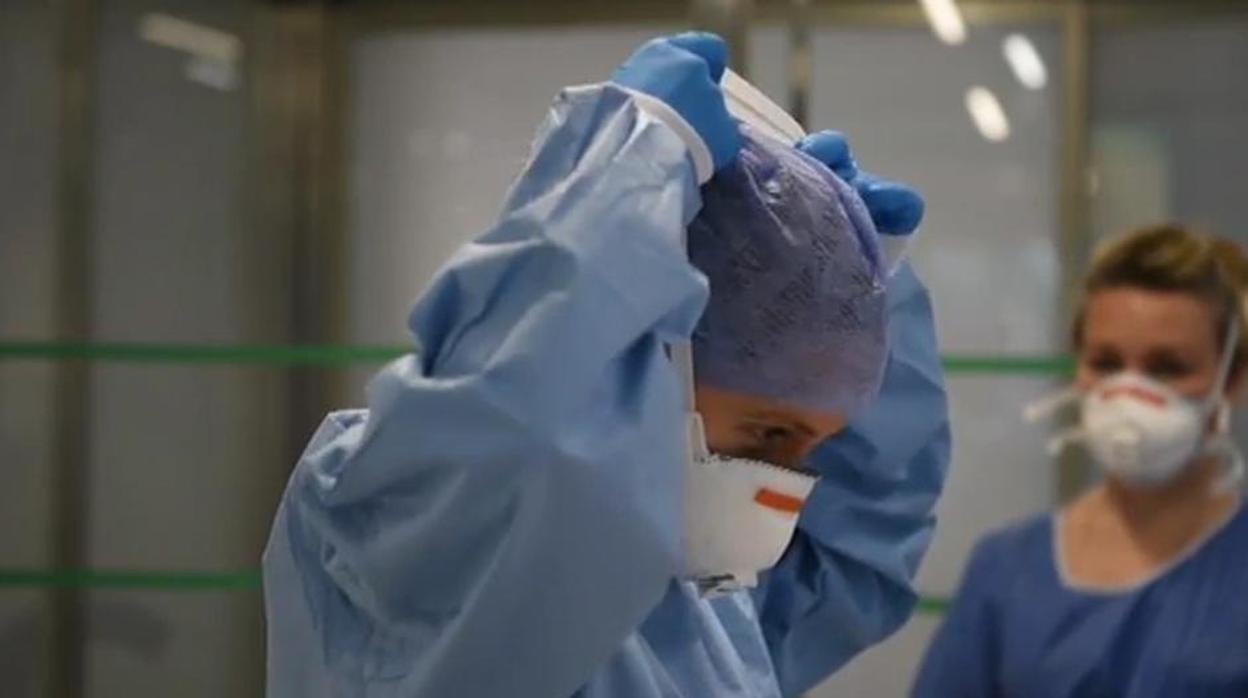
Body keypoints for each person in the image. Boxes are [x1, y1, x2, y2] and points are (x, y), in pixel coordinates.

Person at [264, 32, 951, 698]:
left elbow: (858, 548)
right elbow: (527, 439)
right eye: (768, 435)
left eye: (810, 452)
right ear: (654, 347)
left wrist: (866, 289)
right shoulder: (400, 518)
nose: (785, 488)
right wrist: (635, 155)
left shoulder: (697, 599)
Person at [913, 224, 1248, 697]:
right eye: (1107, 363)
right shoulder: (1008, 570)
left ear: (1232, 378)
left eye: (1167, 367)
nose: (1129, 394)